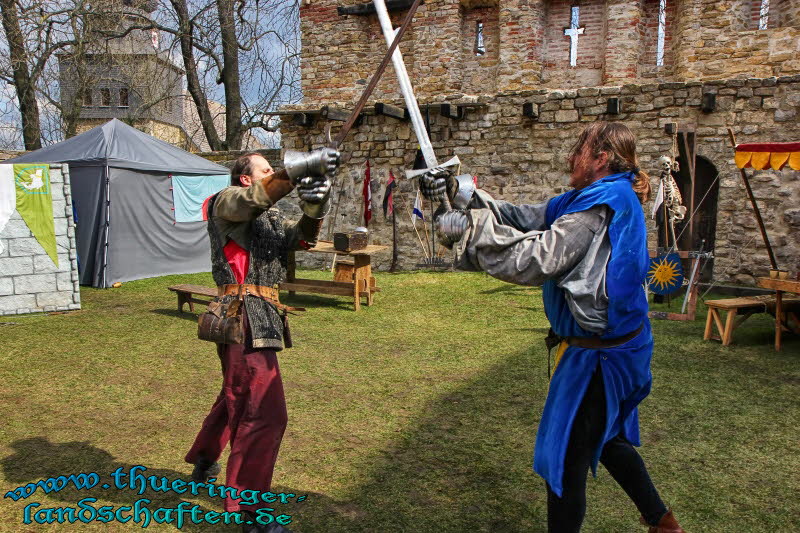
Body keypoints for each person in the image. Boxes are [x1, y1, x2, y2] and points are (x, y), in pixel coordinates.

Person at [420, 122, 685, 533]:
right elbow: (521, 217)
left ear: (600, 158)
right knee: (608, 438)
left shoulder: (601, 206)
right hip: (608, 349)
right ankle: (662, 521)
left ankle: (659, 521)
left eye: (578, 150)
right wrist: (459, 190)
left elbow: (539, 258)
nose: (568, 158)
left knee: (565, 461)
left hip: (602, 358)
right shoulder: (585, 199)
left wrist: (468, 228)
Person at [185, 148, 339, 533]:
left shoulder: (269, 215)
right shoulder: (225, 202)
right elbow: (253, 200)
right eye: (266, 170)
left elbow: (299, 241)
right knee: (263, 412)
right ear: (244, 178)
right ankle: (251, 512)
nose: (274, 174)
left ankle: (204, 458)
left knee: (236, 396)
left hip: (261, 316)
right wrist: (299, 168)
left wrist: (314, 208)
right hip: (240, 315)